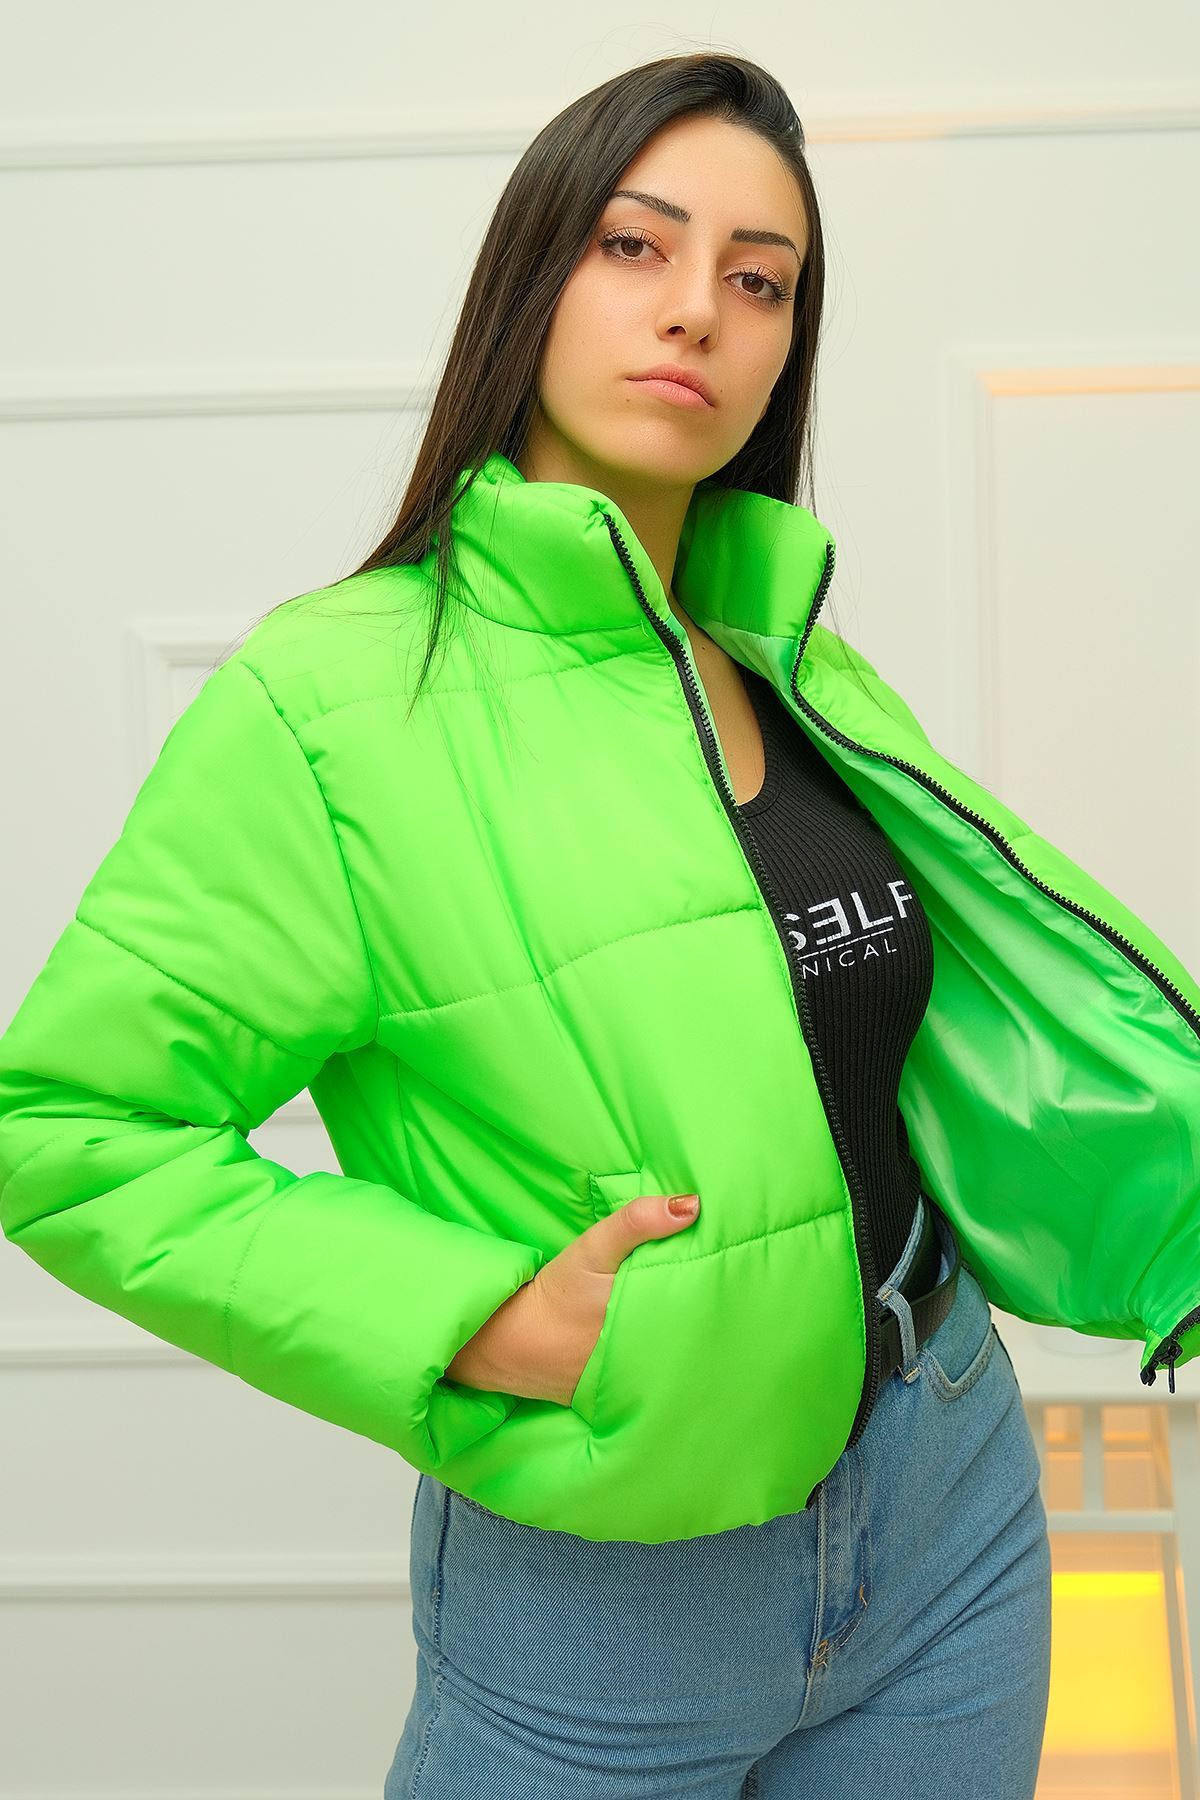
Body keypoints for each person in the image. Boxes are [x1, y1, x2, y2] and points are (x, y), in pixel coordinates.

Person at [0, 49, 1196, 1800]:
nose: (699, 308)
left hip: (947, 1501)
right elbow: (70, 1131)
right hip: (601, 1586)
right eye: (637, 246)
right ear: (534, 274)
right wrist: (475, 1315)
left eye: (760, 279)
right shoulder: (327, 703)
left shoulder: (783, 648)